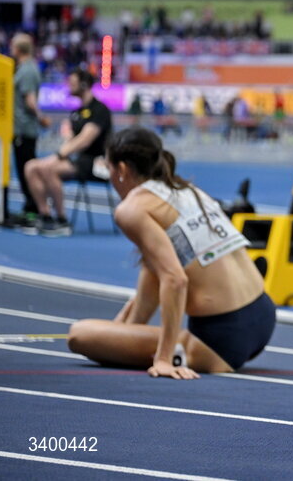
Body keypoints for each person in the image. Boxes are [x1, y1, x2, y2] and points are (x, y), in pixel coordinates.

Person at [67, 126, 275, 379]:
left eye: (108, 168)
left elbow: (175, 280)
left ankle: (170, 352)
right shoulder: (185, 189)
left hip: (218, 340)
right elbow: (153, 278)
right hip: (263, 316)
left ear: (121, 170)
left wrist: (163, 359)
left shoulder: (132, 208)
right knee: (111, 332)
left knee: (80, 334)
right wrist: (120, 332)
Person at [24, 68, 113, 237]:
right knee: (31, 167)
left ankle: (62, 220)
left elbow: (85, 140)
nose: (68, 87)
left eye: (72, 83)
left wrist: (58, 156)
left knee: (50, 168)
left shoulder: (100, 110)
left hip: (95, 163)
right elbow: (70, 140)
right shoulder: (76, 113)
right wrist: (65, 138)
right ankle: (46, 216)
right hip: (77, 161)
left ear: (84, 84)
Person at [9, 33, 49, 231]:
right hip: (21, 127)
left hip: (25, 128)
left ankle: (33, 208)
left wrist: (41, 118)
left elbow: (30, 100)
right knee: (24, 168)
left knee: (27, 169)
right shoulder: (25, 69)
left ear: (18, 49)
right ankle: (30, 206)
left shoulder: (27, 71)